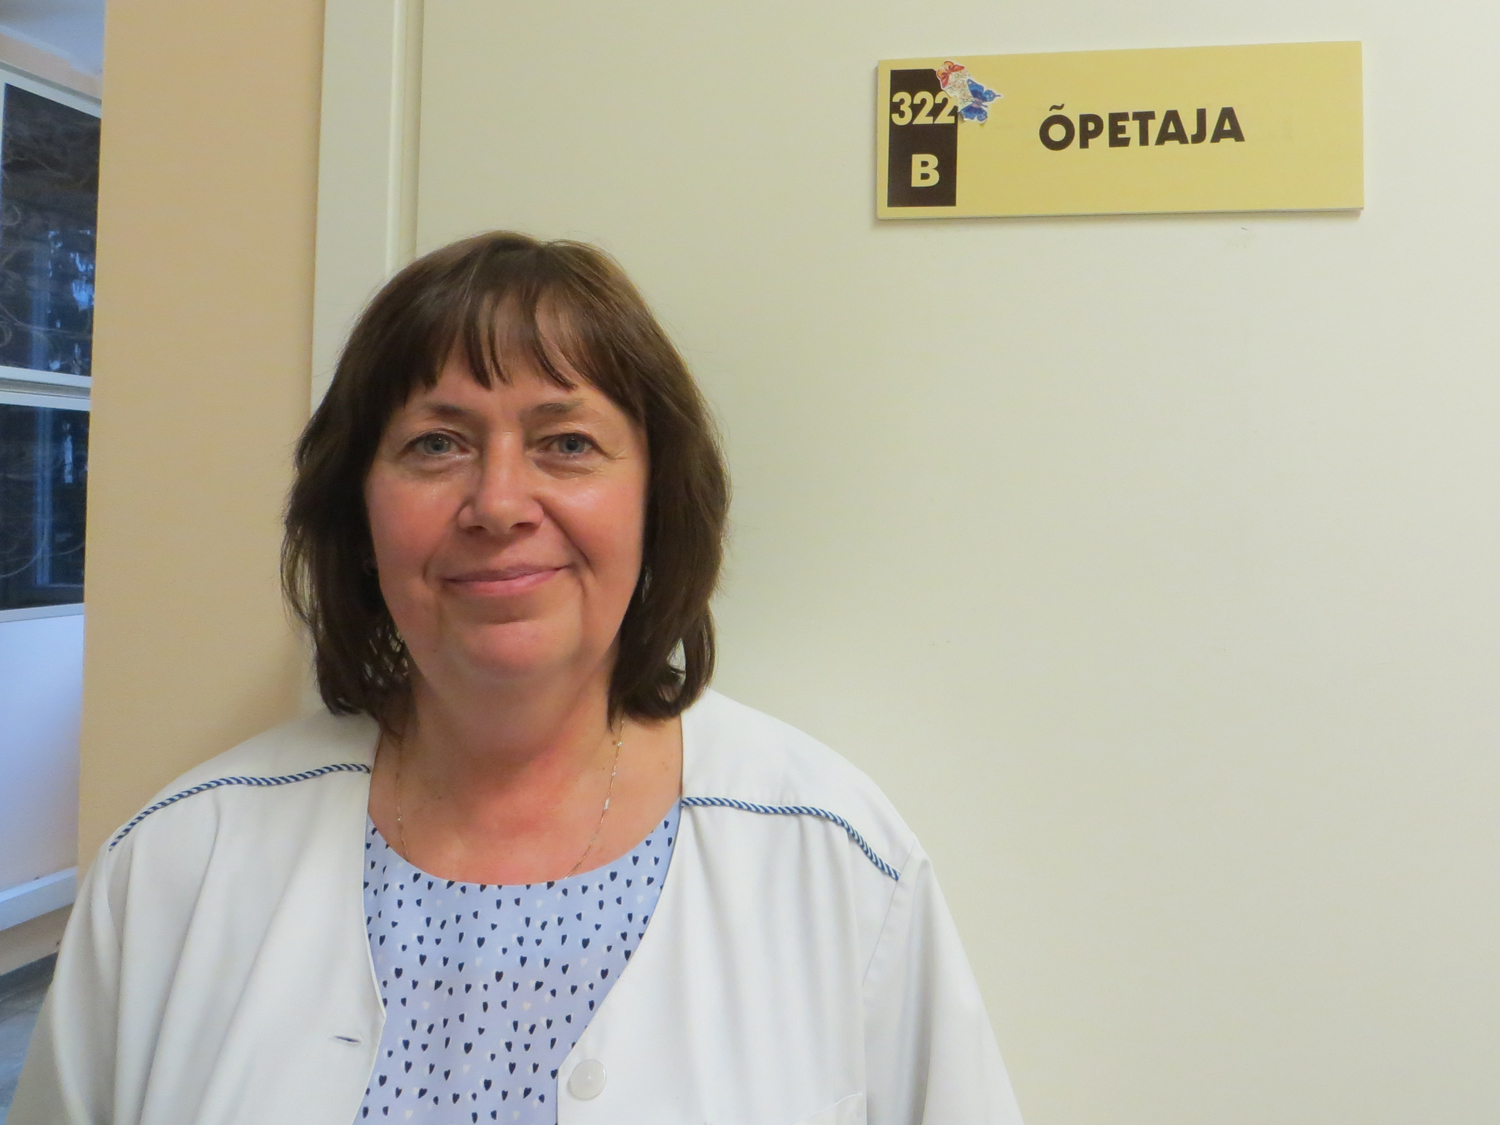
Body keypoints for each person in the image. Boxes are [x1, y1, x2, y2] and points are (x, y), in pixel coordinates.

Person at [13, 233, 1024, 1125]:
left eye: (566, 443)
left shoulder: (837, 859)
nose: (499, 503)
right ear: (358, 513)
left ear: (655, 501)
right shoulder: (174, 867)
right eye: (436, 444)